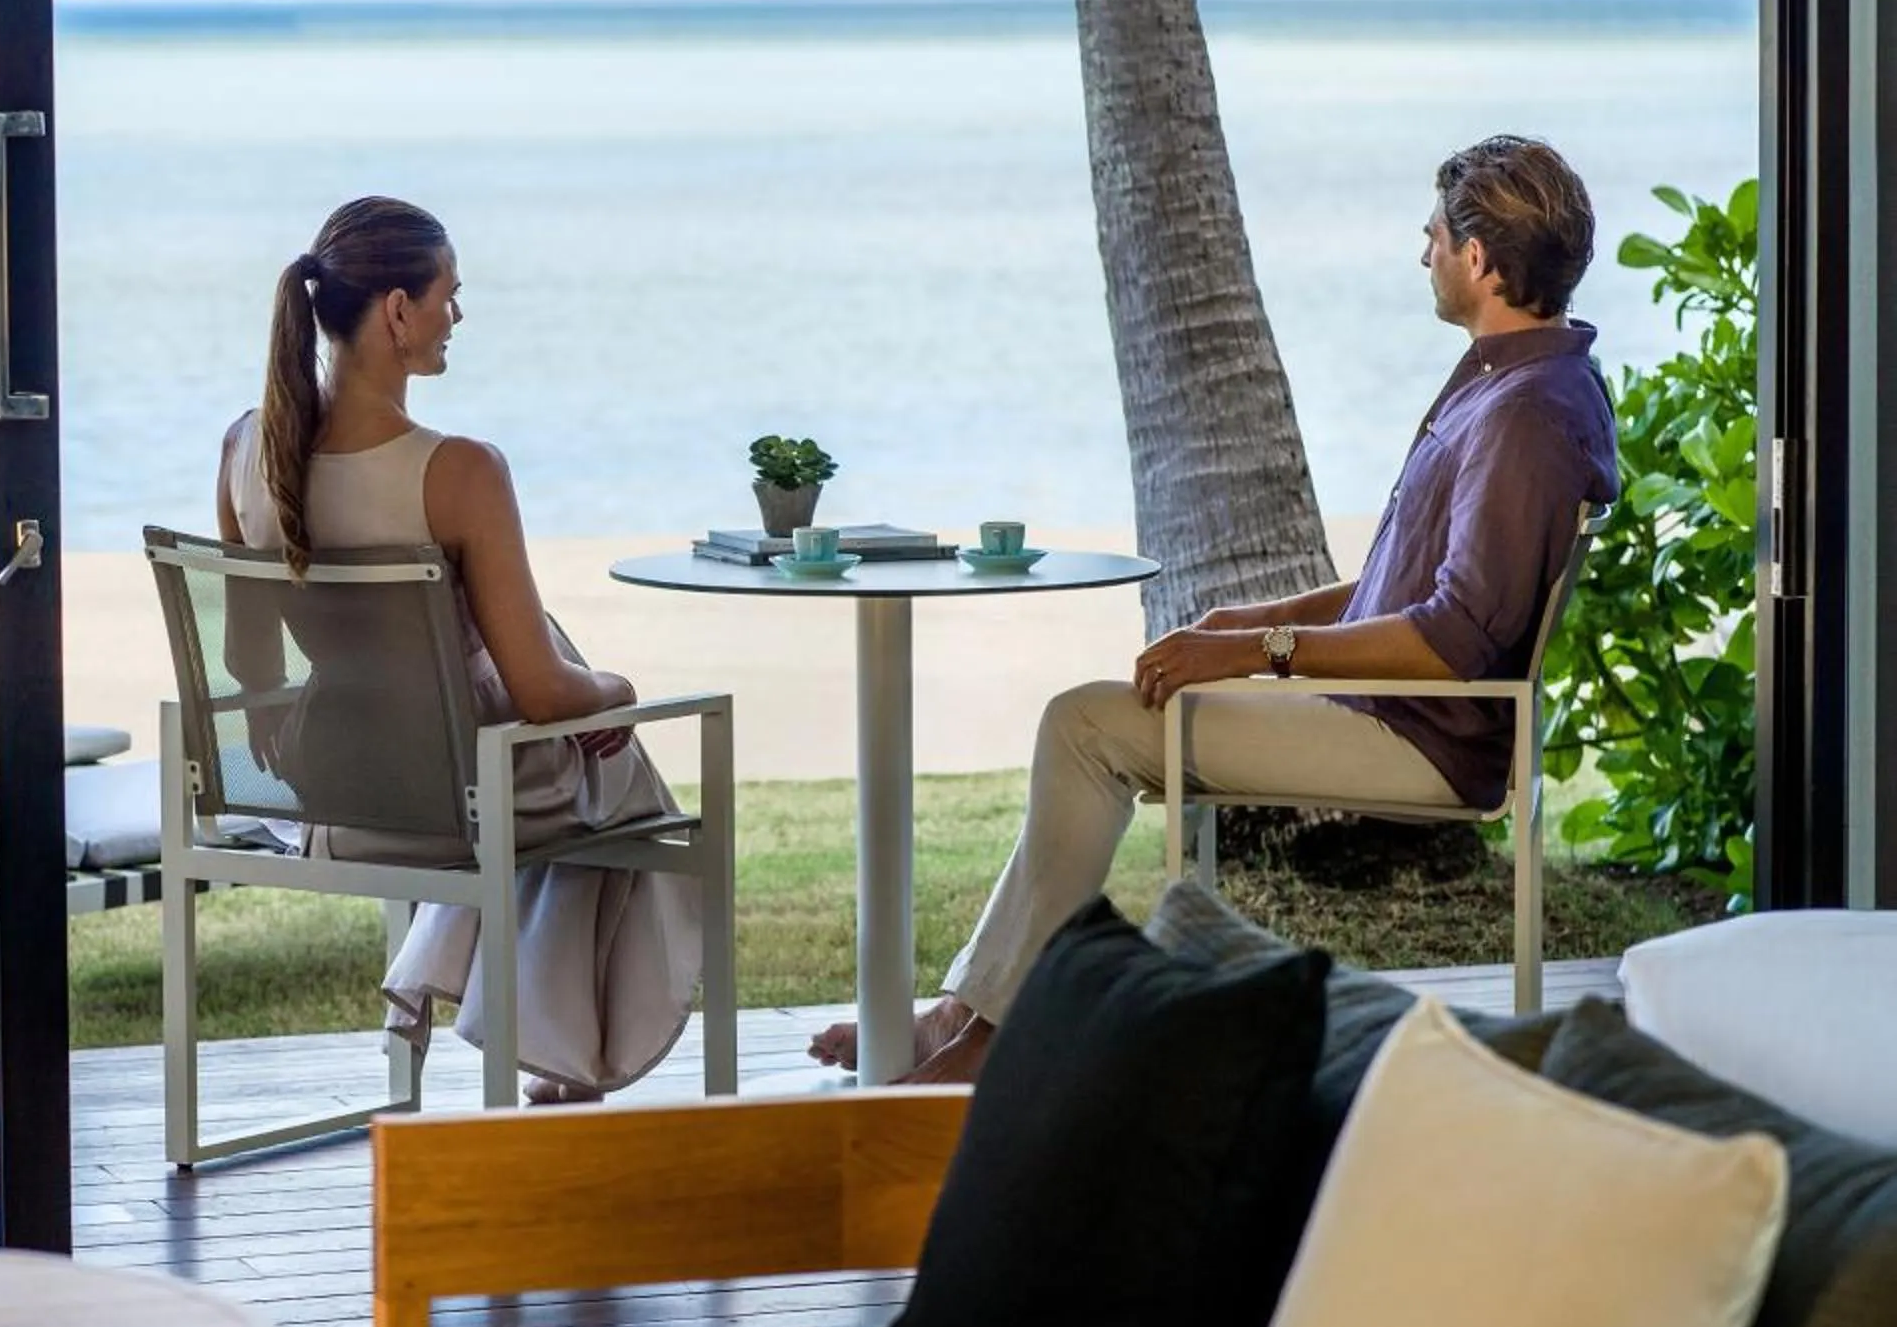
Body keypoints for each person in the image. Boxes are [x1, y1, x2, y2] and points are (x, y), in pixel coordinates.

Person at [813, 134, 1621, 1084]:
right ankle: (962, 1017)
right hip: (1397, 708)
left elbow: (1449, 639)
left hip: (1417, 733)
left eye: (1435, 236)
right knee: (1093, 716)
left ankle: (987, 1047)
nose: (1424, 254)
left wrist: (1259, 653)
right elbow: (1390, 589)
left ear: (1479, 260)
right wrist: (1240, 625)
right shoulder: (1518, 382)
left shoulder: (1524, 413)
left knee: (1085, 725)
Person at [217, 195, 701, 1105]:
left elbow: (251, 667)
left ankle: (451, 990)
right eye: (449, 294)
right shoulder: (458, 472)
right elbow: (543, 693)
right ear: (398, 312)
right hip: (464, 790)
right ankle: (567, 1057)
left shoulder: (247, 449)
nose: (458, 316)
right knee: (619, 785)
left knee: (566, 778)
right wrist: (616, 688)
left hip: (340, 788)